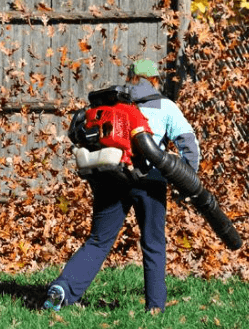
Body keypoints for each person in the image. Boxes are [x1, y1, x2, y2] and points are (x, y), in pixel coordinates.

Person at [43, 59, 200, 312]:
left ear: (130, 78)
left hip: (111, 177)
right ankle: (155, 308)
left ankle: (63, 288)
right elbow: (188, 144)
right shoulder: (165, 106)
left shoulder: (110, 105)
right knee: (153, 244)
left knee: (97, 241)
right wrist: (189, 180)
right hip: (150, 182)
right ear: (155, 80)